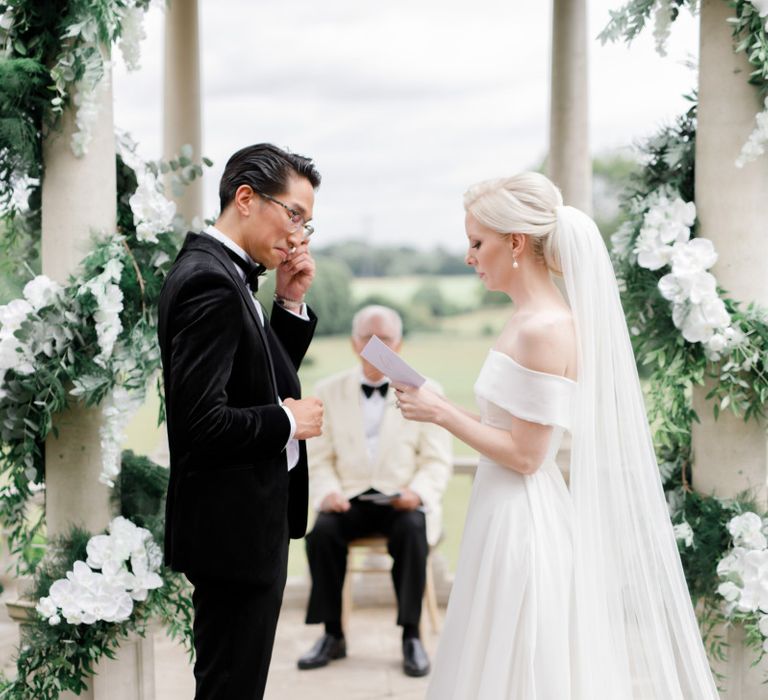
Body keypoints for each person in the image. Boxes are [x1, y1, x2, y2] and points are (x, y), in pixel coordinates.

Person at [394, 172, 720, 699]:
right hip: (500, 507)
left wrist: (441, 414)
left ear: (516, 243)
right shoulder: (526, 318)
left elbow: (527, 455)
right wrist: (439, 400)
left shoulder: (544, 328)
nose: (469, 256)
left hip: (521, 517)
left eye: (477, 242)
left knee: (520, 663)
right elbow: (508, 424)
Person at [157, 143, 325, 700]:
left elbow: (250, 378)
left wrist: (289, 304)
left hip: (246, 527)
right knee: (230, 688)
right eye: (294, 214)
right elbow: (200, 422)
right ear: (246, 198)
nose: (299, 235)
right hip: (233, 532)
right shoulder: (211, 282)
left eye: (308, 223)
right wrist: (286, 421)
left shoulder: (229, 276)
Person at [297, 305, 452, 678]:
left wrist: (417, 492)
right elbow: (319, 459)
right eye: (368, 338)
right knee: (321, 535)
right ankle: (332, 634)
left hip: (401, 501)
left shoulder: (428, 391)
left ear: (400, 344)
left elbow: (436, 460)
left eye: (386, 339)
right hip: (349, 499)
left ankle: (411, 635)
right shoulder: (328, 390)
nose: (377, 346)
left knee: (413, 532)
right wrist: (329, 493)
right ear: (354, 344)